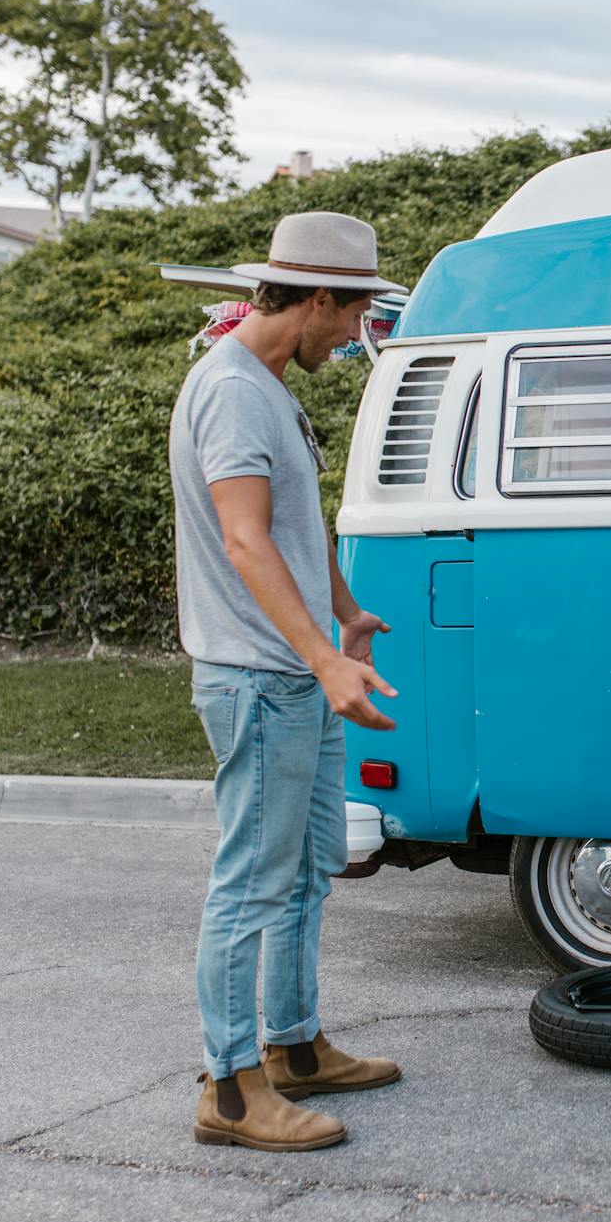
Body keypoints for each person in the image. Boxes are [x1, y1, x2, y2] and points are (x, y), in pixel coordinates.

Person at [170, 211, 409, 1150]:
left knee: (310, 869)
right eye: (352, 318)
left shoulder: (268, 383)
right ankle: (230, 1091)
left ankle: (295, 1048)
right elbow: (244, 538)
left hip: (301, 671)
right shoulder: (230, 389)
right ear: (315, 300)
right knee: (251, 883)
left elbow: (296, 527)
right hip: (262, 678)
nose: (355, 337)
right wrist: (320, 658)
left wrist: (344, 614)